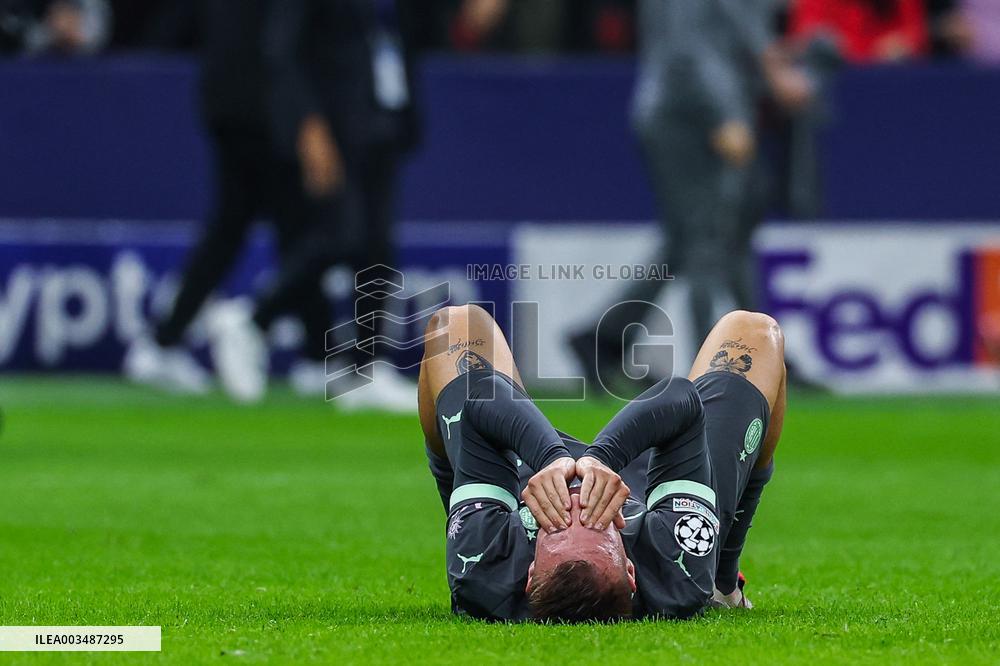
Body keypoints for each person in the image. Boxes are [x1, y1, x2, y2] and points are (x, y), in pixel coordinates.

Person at [419, 304, 785, 621]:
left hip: (524, 466)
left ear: (529, 573)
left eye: (557, 526)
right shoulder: (676, 566)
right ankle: (721, 581)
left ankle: (469, 501)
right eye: (599, 523)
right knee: (753, 331)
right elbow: (680, 399)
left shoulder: (484, 565)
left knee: (456, 325)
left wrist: (552, 458)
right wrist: (601, 458)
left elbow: (482, 396)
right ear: (630, 572)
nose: (578, 503)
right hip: (663, 481)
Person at [569, 0, 813, 393]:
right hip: (688, 115)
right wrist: (721, 114)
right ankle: (718, 371)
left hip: (695, 107)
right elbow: (684, 49)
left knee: (702, 238)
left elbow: (724, 35)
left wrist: (772, 64)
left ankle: (605, 340)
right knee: (706, 237)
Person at [207, 0, 419, 410]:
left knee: (378, 246)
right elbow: (281, 50)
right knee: (342, 237)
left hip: (382, 116)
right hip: (336, 122)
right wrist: (308, 125)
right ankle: (252, 320)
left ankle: (366, 368)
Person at [123, 0, 333, 401]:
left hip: (230, 99)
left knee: (244, 226)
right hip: (261, 106)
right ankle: (312, 354)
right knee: (292, 226)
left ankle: (165, 340)